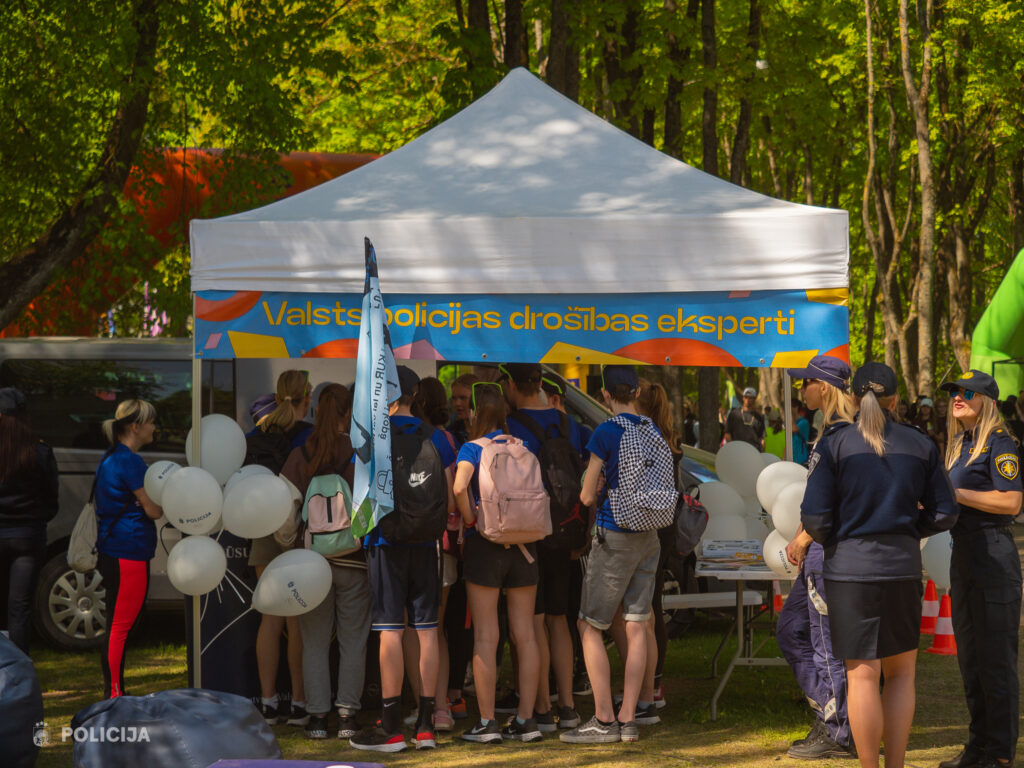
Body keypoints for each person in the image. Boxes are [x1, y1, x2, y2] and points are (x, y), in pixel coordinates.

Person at [801, 362, 958, 768]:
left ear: (853, 398)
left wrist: (840, 537)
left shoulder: (835, 443)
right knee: (902, 674)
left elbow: (814, 517)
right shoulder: (919, 443)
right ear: (895, 399)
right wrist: (909, 530)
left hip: (849, 571)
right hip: (901, 567)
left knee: (862, 676)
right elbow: (945, 511)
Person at [350, 366, 455, 753]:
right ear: (415, 395)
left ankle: (392, 726)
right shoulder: (437, 437)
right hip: (427, 545)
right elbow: (451, 499)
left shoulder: (372, 437)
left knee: (391, 631)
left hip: (386, 543)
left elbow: (360, 507)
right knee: (427, 631)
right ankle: (426, 726)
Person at [561, 365, 664, 745]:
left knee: (589, 625)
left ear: (605, 394)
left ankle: (604, 719)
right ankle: (629, 717)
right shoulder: (653, 429)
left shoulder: (606, 432)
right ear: (636, 392)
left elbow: (587, 495)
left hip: (615, 534)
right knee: (637, 624)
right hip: (649, 534)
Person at [938, 370, 1023, 768]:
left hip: (993, 555)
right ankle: (979, 746)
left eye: (967, 392)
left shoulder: (1000, 442)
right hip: (964, 554)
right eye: (955, 391)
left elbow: (1011, 502)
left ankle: (1000, 753)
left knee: (995, 660)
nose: (958, 397)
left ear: (986, 401)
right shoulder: (961, 443)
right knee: (971, 658)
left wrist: (957, 493)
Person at [278, 384, 370, 741]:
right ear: (349, 414)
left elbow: (284, 512)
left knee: (313, 641)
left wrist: (291, 544)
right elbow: (370, 508)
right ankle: (347, 715)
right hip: (354, 561)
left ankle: (317, 717)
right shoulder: (359, 454)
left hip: (312, 564)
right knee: (353, 640)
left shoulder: (301, 453)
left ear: (316, 410)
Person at [454, 381, 544, 744]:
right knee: (526, 635)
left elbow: (459, 487)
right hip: (525, 545)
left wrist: (471, 519)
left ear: (476, 411)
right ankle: (526, 720)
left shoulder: (471, 448)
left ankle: (487, 722)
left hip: (486, 544)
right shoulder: (525, 446)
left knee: (486, 636)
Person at [776, 354, 857, 759]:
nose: (801, 390)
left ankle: (840, 732)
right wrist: (800, 535)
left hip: (828, 551)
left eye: (804, 383)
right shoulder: (828, 434)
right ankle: (831, 714)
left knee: (826, 643)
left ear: (823, 387)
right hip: (815, 549)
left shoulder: (844, 436)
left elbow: (840, 501)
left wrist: (806, 536)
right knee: (792, 629)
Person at [502, 363, 583, 732]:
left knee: (532, 622)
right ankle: (568, 706)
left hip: (530, 534)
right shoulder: (568, 423)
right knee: (558, 618)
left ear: (510, 384)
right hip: (566, 531)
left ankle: (541, 707)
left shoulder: (512, 425)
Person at [248, 370, 314, 727]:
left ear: (277, 396)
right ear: (308, 398)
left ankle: (269, 703)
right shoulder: (309, 436)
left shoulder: (256, 435)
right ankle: (300, 703)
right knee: (297, 621)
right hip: (298, 531)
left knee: (269, 619)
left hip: (261, 529)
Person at [94, 399, 164, 698]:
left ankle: (115, 691)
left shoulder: (110, 456)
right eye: (150, 422)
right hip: (129, 551)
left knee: (118, 625)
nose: (153, 428)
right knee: (120, 627)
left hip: (114, 548)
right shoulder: (131, 462)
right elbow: (154, 510)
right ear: (135, 426)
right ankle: (114, 694)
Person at [0, 388, 58, 655]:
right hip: (27, 536)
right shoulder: (40, 451)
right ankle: (18, 669)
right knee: (19, 608)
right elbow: (51, 499)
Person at [448, 373, 478, 447]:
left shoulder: (491, 431)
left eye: (463, 398)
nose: (457, 403)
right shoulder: (451, 432)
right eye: (454, 398)